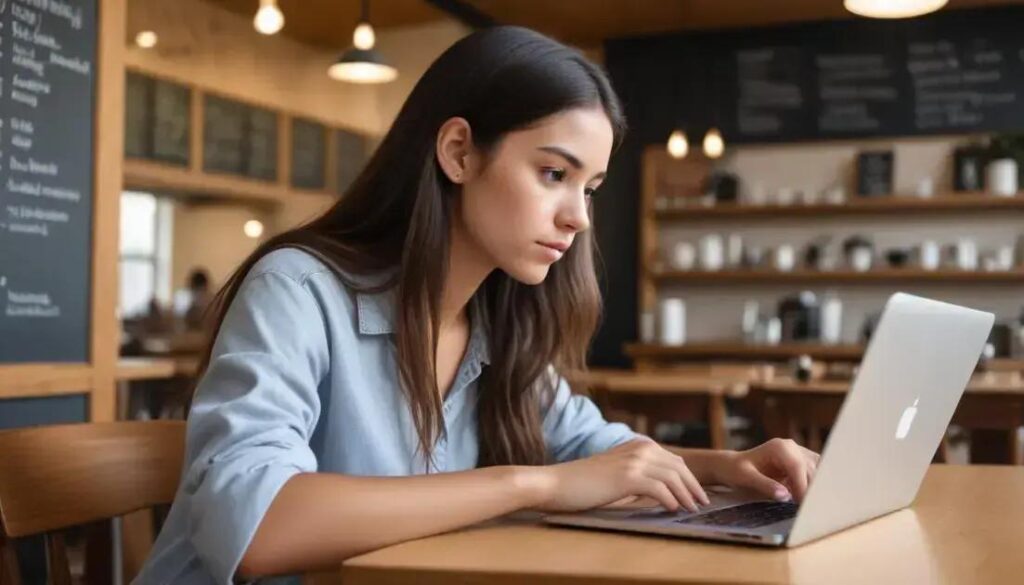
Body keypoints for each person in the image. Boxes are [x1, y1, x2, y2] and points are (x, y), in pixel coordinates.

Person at [134, 26, 818, 585]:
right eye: (554, 174)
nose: (578, 217)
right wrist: (534, 484)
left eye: (591, 188)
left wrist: (725, 466)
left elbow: (598, 452)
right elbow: (257, 526)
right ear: (459, 152)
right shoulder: (297, 289)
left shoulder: (499, 322)